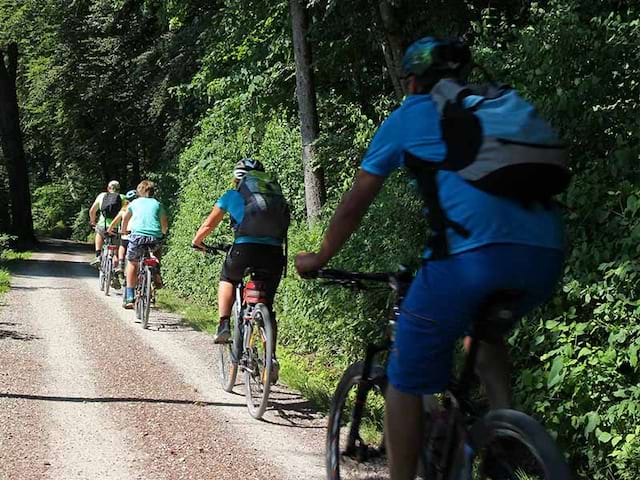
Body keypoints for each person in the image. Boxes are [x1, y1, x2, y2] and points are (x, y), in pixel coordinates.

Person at [295, 37, 565, 480]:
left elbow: (356, 199)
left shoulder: (410, 116)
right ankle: (505, 430)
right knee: (481, 332)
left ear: (413, 80)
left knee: (406, 378)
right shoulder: (497, 106)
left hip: (466, 262)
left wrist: (321, 254)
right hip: (544, 254)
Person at [192, 158, 289, 382]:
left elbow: (208, 225)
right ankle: (270, 358)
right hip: (274, 253)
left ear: (238, 178)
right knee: (267, 305)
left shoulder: (232, 195)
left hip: (244, 249)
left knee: (228, 277)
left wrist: (197, 242)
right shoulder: (275, 196)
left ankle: (224, 323)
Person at [121, 180, 168, 309]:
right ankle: (156, 272)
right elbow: (164, 223)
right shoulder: (158, 204)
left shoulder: (134, 203)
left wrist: (124, 230)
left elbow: (126, 218)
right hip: (154, 237)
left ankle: (130, 296)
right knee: (157, 249)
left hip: (137, 237)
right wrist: (162, 233)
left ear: (139, 191)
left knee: (132, 263)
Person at [88, 180, 126, 267]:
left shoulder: (102, 196)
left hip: (102, 226)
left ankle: (98, 255)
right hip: (116, 228)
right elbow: (127, 214)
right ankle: (116, 271)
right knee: (116, 251)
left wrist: (93, 222)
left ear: (108, 188)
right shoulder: (123, 197)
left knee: (99, 233)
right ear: (119, 189)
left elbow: (92, 211)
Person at [107, 189, 138, 283]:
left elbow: (114, 223)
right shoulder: (140, 209)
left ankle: (120, 263)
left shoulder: (124, 210)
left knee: (122, 246)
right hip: (137, 236)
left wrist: (109, 230)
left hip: (126, 235)